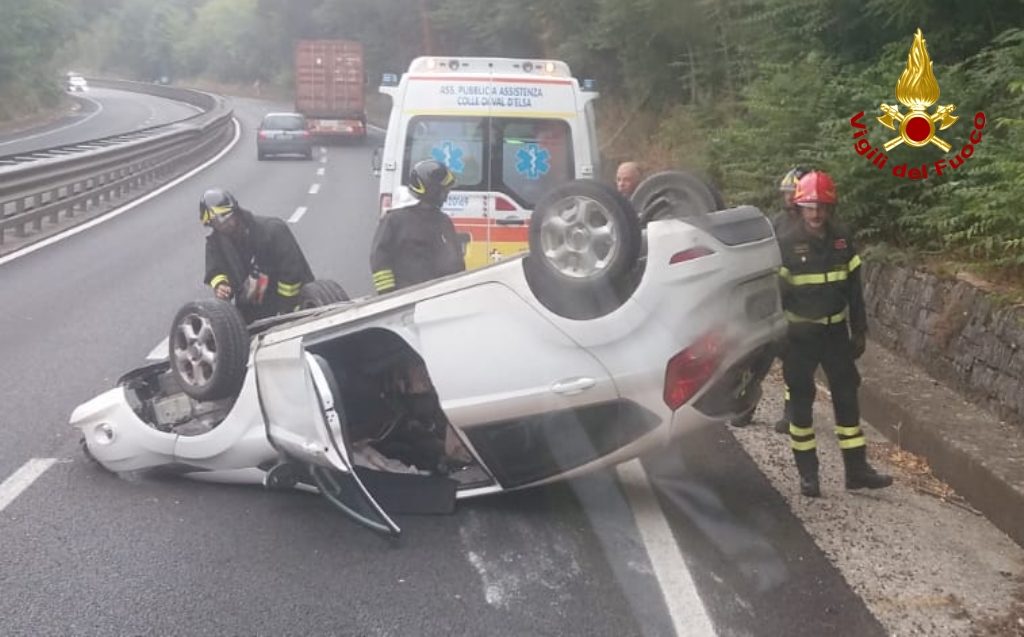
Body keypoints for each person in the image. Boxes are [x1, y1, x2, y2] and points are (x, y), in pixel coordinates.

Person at [777, 170, 892, 497]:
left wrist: (860, 329)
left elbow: (855, 290)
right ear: (799, 207)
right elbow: (774, 295)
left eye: (822, 207)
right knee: (801, 405)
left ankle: (856, 471)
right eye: (810, 207)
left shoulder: (842, 239)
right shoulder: (786, 243)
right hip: (799, 337)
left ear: (831, 208)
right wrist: (778, 338)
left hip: (835, 335)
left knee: (847, 398)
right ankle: (808, 475)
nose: (816, 213)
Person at [201, 188, 315, 324]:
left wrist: (285, 309)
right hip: (254, 312)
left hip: (295, 304)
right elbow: (215, 270)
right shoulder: (216, 244)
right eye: (215, 222)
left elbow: (292, 275)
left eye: (225, 217)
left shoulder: (272, 230)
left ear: (235, 212)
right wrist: (221, 284)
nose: (223, 224)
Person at [370, 159, 465, 294]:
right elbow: (379, 259)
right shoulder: (394, 221)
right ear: (432, 191)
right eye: (444, 192)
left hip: (439, 297)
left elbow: (455, 262)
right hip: (406, 298)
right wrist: (389, 295)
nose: (445, 198)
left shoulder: (444, 221)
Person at [771, 166, 811, 433]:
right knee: (760, 354)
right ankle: (746, 404)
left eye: (792, 192)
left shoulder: (812, 225)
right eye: (785, 192)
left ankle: (791, 411)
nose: (787, 197)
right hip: (775, 297)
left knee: (794, 361)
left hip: (800, 302)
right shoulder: (777, 221)